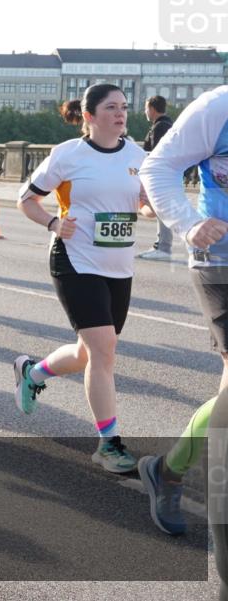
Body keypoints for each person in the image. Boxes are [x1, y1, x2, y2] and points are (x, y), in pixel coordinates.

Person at [13, 85, 149, 473]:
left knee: (91, 352)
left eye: (124, 107)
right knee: (104, 349)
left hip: (119, 266)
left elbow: (145, 200)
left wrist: (149, 207)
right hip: (76, 261)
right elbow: (26, 199)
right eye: (111, 108)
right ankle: (109, 444)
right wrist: (54, 223)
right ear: (89, 116)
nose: (121, 114)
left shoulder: (139, 156)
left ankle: (33, 372)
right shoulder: (67, 155)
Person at [138, 85, 228, 537]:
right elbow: (158, 167)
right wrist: (190, 222)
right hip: (222, 263)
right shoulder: (218, 107)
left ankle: (168, 471)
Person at [137, 95, 177, 262]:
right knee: (161, 209)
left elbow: (156, 154)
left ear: (152, 109)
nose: (145, 111)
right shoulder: (168, 125)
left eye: (146, 108)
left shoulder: (160, 127)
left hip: (161, 175)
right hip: (168, 174)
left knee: (162, 209)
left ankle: (163, 247)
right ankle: (161, 245)